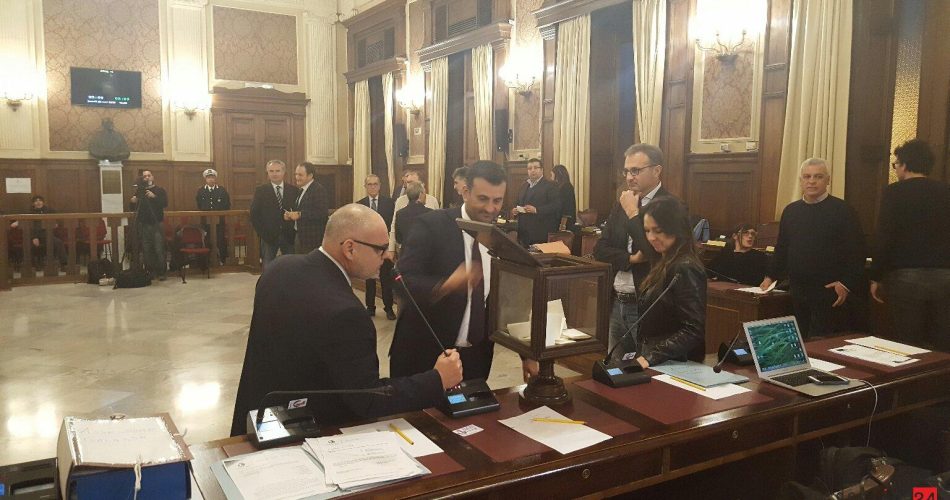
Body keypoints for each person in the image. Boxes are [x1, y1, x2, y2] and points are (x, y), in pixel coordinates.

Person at [230, 204, 463, 437]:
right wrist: (437, 379)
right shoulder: (346, 313)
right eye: (380, 249)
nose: (386, 257)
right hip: (306, 432)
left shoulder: (279, 268)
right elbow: (368, 400)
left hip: (257, 419)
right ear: (350, 248)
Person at [390, 161, 536, 382]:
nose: (490, 209)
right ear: (466, 192)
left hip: (476, 358)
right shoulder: (431, 225)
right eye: (483, 199)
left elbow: (507, 303)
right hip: (426, 353)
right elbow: (400, 279)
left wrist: (526, 354)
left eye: (497, 201)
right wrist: (445, 285)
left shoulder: (500, 240)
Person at [761, 158, 867, 338]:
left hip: (829, 292)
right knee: (799, 341)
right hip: (797, 290)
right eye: (807, 176)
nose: (812, 181)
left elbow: (857, 251)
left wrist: (845, 284)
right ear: (801, 180)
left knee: (821, 343)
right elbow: (782, 247)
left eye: (818, 176)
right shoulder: (791, 211)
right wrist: (770, 276)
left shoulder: (843, 211)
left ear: (828, 180)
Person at [594, 143, 680, 357]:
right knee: (615, 368)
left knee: (646, 368)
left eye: (635, 171)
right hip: (617, 302)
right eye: (626, 171)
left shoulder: (670, 206)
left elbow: (653, 252)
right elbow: (601, 249)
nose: (629, 177)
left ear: (656, 170)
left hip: (648, 306)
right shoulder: (623, 203)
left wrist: (633, 212)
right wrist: (631, 259)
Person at [869, 139, 950, 351]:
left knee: (909, 343)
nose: (896, 169)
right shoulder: (946, 192)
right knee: (943, 342)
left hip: (906, 277)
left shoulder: (894, 192)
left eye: (896, 164)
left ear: (904, 165)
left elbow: (885, 236)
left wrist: (875, 275)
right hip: (945, 276)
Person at [622, 197, 706, 367]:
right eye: (647, 231)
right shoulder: (664, 260)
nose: (651, 237)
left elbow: (693, 330)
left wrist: (650, 357)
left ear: (675, 228)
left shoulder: (685, 267)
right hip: (658, 357)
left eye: (658, 231)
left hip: (675, 362)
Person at [356, 174, 396, 320]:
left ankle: (389, 308)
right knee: (370, 279)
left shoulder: (389, 203)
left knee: (386, 279)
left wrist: (390, 247)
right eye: (369, 184)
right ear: (365, 187)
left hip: (385, 247)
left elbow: (392, 226)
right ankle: (370, 307)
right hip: (367, 248)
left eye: (375, 184)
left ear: (379, 186)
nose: (372, 187)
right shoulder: (359, 205)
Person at [250, 160, 299, 268]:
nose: (274, 174)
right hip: (268, 236)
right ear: (267, 172)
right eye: (271, 171)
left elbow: (297, 211)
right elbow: (254, 215)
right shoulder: (261, 191)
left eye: (277, 171)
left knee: (291, 266)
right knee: (268, 267)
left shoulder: (294, 190)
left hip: (289, 236)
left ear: (284, 172)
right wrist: (263, 234)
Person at [388, 170, 441, 256]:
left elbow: (437, 229)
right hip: (405, 250)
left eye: (412, 182)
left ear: (422, 184)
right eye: (407, 182)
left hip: (427, 250)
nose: (409, 185)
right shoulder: (400, 201)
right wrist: (391, 249)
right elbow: (394, 226)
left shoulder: (432, 200)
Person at [511, 158, 561, 246]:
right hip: (523, 232)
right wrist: (515, 210)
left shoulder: (550, 186)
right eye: (530, 168)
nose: (532, 170)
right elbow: (518, 203)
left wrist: (536, 210)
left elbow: (556, 206)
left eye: (535, 167)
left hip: (540, 231)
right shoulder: (524, 185)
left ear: (541, 170)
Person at [129, 169, 168, 280]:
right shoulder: (139, 191)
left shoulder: (160, 190)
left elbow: (165, 203)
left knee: (159, 249)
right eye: (144, 176)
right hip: (144, 224)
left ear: (152, 177)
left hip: (157, 223)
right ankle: (150, 272)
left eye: (149, 175)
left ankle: (161, 272)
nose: (147, 178)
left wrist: (154, 197)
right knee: (146, 249)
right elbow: (133, 208)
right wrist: (132, 202)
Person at [286, 162, 329, 254]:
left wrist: (300, 214)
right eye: (296, 174)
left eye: (300, 175)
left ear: (310, 175)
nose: (297, 177)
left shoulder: (318, 190)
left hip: (311, 239)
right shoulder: (302, 190)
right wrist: (290, 215)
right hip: (300, 236)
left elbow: (322, 213)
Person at [195, 168, 231, 263]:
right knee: (207, 239)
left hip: (219, 221)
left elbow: (227, 204)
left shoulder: (221, 190)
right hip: (205, 221)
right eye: (208, 177)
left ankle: (222, 259)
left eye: (212, 177)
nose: (210, 179)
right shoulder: (201, 191)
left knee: (220, 239)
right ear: (205, 179)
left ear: (215, 178)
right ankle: (208, 260)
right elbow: (199, 204)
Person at [27, 195, 67, 268]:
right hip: (34, 236)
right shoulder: (30, 212)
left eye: (40, 200)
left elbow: (58, 216)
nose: (38, 202)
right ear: (33, 203)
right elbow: (30, 227)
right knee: (28, 245)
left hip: (47, 235)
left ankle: (64, 264)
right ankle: (32, 266)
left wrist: (56, 222)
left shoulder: (48, 210)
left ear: (43, 202)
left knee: (59, 242)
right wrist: (34, 237)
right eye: (36, 201)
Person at [394, 182, 432, 248]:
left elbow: (398, 239)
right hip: (425, 251)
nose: (426, 197)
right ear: (420, 195)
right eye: (425, 194)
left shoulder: (399, 214)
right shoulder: (430, 213)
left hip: (406, 251)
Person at [550, 164, 577, 228]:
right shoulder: (560, 186)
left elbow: (566, 206)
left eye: (551, 175)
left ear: (557, 175)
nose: (550, 178)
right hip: (561, 218)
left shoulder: (566, 187)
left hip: (565, 220)